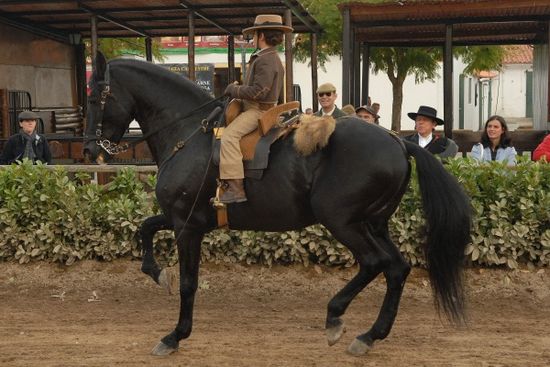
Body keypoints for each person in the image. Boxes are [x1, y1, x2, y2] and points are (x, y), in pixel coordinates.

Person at [219, 14, 292, 204]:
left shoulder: (266, 59)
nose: (253, 38)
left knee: (229, 137)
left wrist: (232, 89)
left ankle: (236, 188)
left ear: (261, 35)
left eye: (255, 33)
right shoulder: (268, 57)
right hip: (260, 107)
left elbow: (259, 92)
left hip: (257, 111)